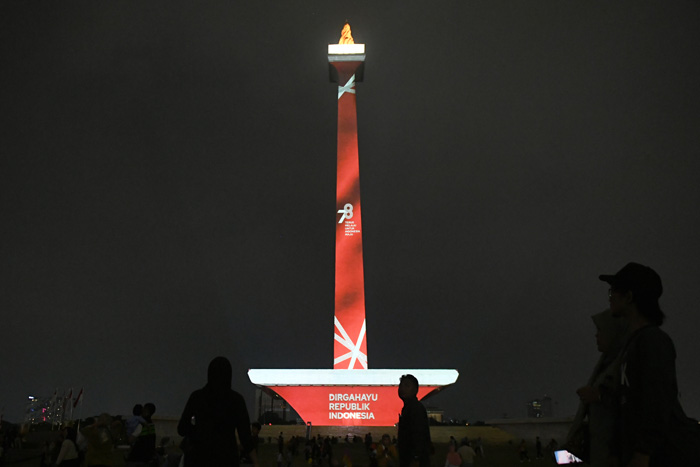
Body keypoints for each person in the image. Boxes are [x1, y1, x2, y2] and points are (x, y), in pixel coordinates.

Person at [601, 262, 700, 466]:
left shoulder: (652, 341)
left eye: (613, 292)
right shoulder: (632, 345)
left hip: (662, 455)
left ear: (629, 297)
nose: (610, 297)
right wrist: (616, 452)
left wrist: (642, 452)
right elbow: (626, 405)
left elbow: (657, 400)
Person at [566, 308, 628, 465]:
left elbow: (632, 402)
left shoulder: (622, 364)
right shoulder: (609, 363)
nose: (596, 335)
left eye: (600, 330)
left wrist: (599, 396)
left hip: (613, 453)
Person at [177, 356, 258, 467]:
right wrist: (256, 462)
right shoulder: (236, 400)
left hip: (199, 457)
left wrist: (198, 432)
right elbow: (245, 437)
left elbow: (182, 429)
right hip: (226, 458)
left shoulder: (197, 397)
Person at [397, 374, 431, 467]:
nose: (402, 388)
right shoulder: (409, 408)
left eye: (407, 385)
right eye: (401, 385)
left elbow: (419, 434)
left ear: (415, 390)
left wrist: (416, 457)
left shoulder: (415, 408)